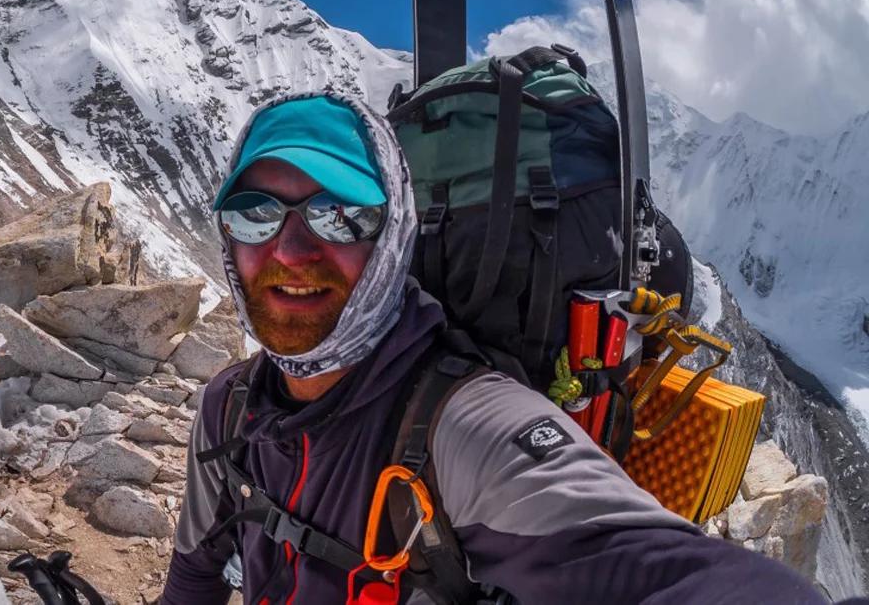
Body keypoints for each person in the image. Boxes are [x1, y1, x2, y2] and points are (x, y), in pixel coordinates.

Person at [161, 94, 837, 604]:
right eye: (254, 213)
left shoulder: (467, 429)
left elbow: (654, 572)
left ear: (394, 233)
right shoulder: (231, 408)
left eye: (340, 215)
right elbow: (194, 572)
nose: (289, 249)